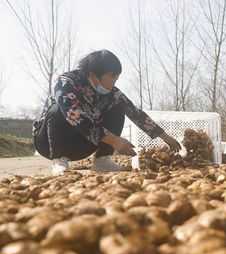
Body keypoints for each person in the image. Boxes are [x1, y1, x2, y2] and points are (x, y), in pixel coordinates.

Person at [33, 50, 181, 175]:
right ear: (93, 74)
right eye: (112, 77)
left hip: (83, 144)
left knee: (118, 107)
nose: (114, 83)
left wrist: (164, 136)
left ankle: (102, 161)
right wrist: (115, 141)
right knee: (59, 109)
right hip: (49, 142)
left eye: (116, 79)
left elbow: (135, 113)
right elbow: (74, 115)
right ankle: (59, 161)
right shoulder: (66, 82)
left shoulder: (112, 93)